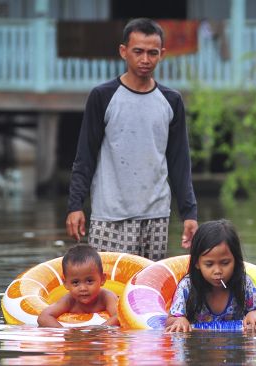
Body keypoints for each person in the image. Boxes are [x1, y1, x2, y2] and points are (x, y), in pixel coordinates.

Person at [65, 18, 198, 261]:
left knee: (145, 291)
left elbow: (180, 162)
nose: (145, 59)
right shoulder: (103, 96)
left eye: (152, 53)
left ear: (162, 54)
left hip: (156, 215)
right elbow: (85, 156)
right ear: (123, 51)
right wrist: (75, 206)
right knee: (109, 286)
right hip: (110, 215)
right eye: (138, 52)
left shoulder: (171, 100)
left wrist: (190, 213)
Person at [164, 219, 256, 332]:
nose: (217, 271)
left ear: (236, 261)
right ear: (197, 263)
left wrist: (254, 315)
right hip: (198, 346)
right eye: (209, 264)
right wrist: (179, 320)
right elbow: (171, 319)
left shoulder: (243, 283)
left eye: (225, 263)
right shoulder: (187, 286)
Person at [37, 245, 119, 328]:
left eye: (89, 281)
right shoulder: (69, 301)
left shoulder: (107, 297)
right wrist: (64, 332)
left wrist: (99, 329)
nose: (83, 288)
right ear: (66, 283)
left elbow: (119, 316)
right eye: (75, 282)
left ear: (102, 279)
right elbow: (43, 317)